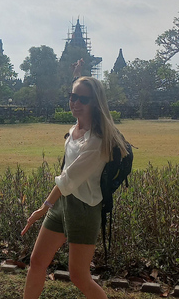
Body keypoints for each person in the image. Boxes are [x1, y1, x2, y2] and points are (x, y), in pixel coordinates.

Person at [20, 59, 128, 299]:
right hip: (63, 204)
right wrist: (78, 74)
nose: (75, 103)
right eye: (72, 97)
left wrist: (42, 207)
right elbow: (66, 183)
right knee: (37, 262)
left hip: (84, 208)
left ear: (95, 104)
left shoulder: (97, 142)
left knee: (79, 276)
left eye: (83, 100)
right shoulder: (76, 127)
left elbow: (68, 180)